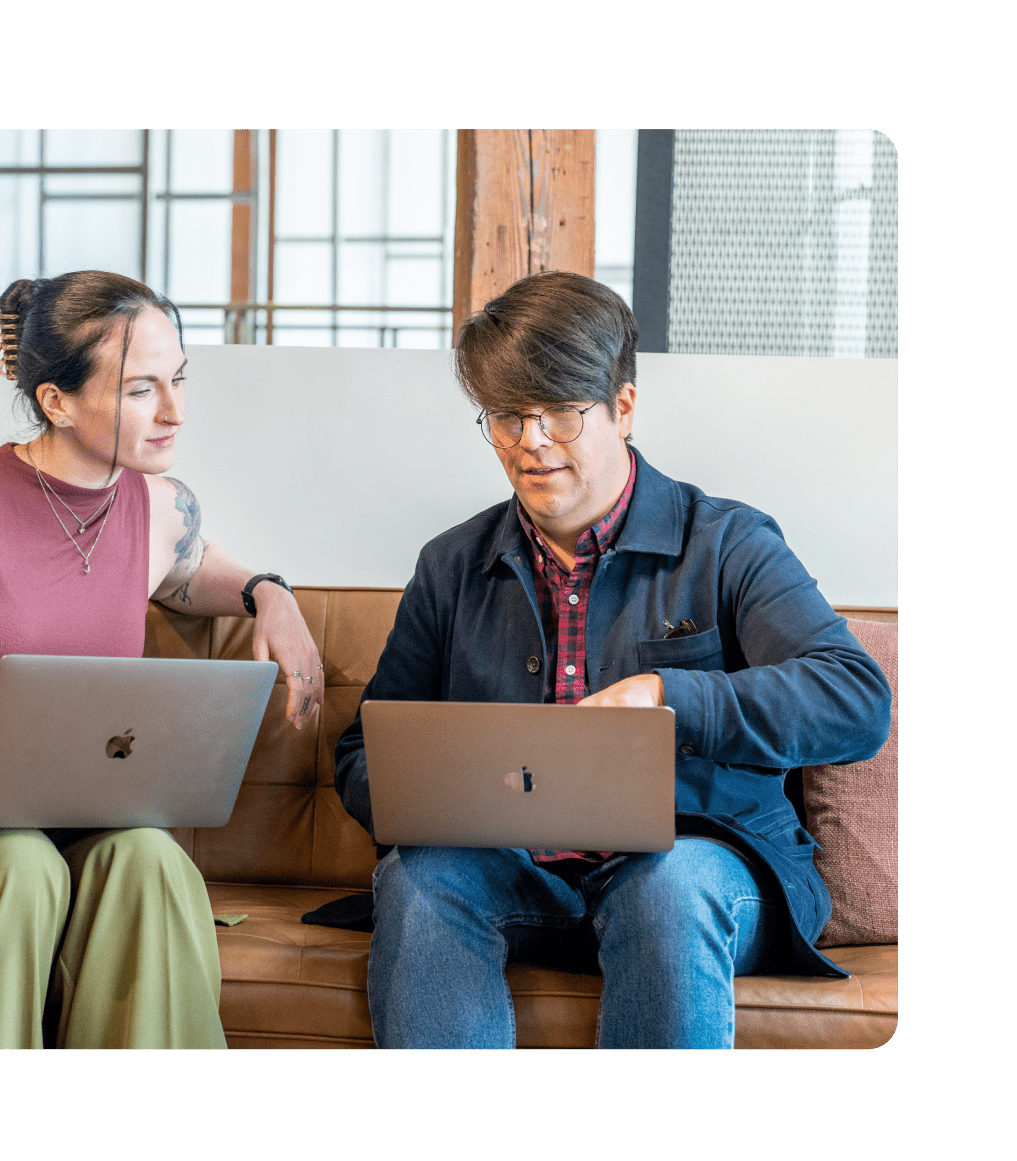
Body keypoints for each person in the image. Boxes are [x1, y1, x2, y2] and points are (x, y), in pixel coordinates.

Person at [333, 271, 891, 1049]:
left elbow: (853, 699)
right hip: (514, 868)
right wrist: (436, 790)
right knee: (420, 876)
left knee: (667, 886)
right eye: (505, 416)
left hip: (701, 869)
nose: (529, 442)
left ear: (623, 405)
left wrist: (671, 695)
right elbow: (362, 753)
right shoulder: (451, 564)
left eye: (560, 413)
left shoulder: (728, 542)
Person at [0, 270, 325, 1050]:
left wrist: (269, 593)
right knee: (18, 868)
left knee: (150, 860)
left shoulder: (163, 506)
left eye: (177, 379)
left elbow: (192, 567)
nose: (175, 410)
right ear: (56, 401)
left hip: (68, 806)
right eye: (142, 389)